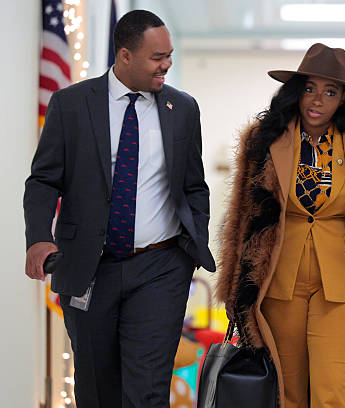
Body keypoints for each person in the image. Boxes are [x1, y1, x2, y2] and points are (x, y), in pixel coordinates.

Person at [24, 10, 215, 407]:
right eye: (157, 56)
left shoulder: (182, 109)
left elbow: (194, 185)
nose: (167, 64)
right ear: (125, 55)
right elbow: (43, 180)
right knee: (97, 389)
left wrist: (192, 244)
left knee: (148, 389)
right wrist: (39, 238)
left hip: (161, 266)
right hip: (90, 267)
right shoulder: (71, 104)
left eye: (169, 55)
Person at [216, 43, 345, 408]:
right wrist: (234, 289)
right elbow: (242, 218)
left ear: (343, 99)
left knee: (332, 387)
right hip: (279, 278)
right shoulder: (265, 137)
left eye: (330, 92)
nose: (317, 100)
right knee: (287, 390)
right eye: (309, 89)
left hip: (342, 281)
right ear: (296, 91)